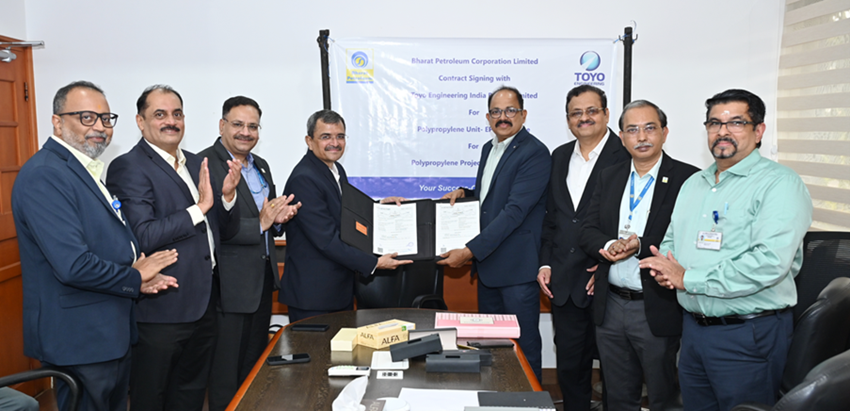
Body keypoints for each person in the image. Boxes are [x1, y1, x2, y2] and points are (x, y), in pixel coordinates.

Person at [640, 89, 812, 411]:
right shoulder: (694, 183)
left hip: (748, 333)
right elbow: (673, 238)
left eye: (736, 122)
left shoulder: (780, 184)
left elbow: (769, 262)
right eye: (714, 123)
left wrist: (687, 278)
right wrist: (666, 267)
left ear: (758, 131)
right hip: (693, 330)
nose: (723, 131)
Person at [12, 81, 178, 411]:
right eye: (86, 117)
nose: (100, 127)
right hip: (80, 338)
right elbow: (73, 265)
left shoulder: (82, 169)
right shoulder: (45, 175)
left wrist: (137, 278)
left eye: (105, 118)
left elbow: (104, 242)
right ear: (57, 122)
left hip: (107, 333)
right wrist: (135, 277)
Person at [106, 85, 241, 411]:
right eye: (160, 114)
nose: (171, 121)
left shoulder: (196, 163)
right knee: (151, 397)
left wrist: (226, 198)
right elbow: (143, 235)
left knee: (191, 394)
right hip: (162, 309)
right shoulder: (129, 166)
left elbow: (220, 232)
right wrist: (200, 207)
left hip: (205, 304)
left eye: (177, 113)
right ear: (140, 121)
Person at [579, 100, 698, 411]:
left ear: (664, 133)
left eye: (649, 128)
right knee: (617, 397)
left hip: (655, 304)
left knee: (663, 397)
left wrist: (639, 246)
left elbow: (688, 239)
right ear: (621, 137)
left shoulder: (689, 179)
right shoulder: (609, 175)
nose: (641, 137)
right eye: (632, 130)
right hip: (611, 304)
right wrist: (609, 245)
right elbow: (587, 229)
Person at [439, 86, 551, 381]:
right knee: (492, 348)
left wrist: (469, 251)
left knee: (523, 348)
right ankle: (499, 398)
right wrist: (466, 194)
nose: (503, 117)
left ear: (523, 114)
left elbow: (514, 211)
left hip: (516, 272)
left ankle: (529, 400)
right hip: (489, 269)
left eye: (510, 110)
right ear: (488, 117)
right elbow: (492, 198)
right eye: (496, 111)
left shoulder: (534, 152)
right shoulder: (489, 148)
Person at [199, 96, 300, 411]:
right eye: (238, 124)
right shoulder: (205, 164)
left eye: (253, 126)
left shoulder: (261, 165)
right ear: (222, 125)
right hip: (227, 287)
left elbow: (266, 218)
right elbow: (212, 226)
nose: (246, 132)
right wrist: (260, 224)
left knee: (253, 368)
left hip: (261, 282)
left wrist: (278, 220)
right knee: (225, 373)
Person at [537, 84, 630, 411]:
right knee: (570, 366)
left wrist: (606, 266)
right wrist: (545, 263)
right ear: (568, 120)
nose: (584, 118)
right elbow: (552, 218)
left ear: (606, 114)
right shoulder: (560, 156)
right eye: (576, 113)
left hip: (607, 282)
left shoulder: (627, 155)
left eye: (592, 111)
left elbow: (632, 220)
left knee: (617, 369)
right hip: (564, 280)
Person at [280, 109, 411, 322]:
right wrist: (374, 263)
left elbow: (345, 215)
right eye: (326, 137)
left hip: (338, 290)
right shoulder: (304, 179)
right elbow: (326, 240)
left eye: (340, 136)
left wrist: (380, 208)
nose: (335, 143)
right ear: (309, 141)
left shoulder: (336, 169)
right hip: (313, 297)